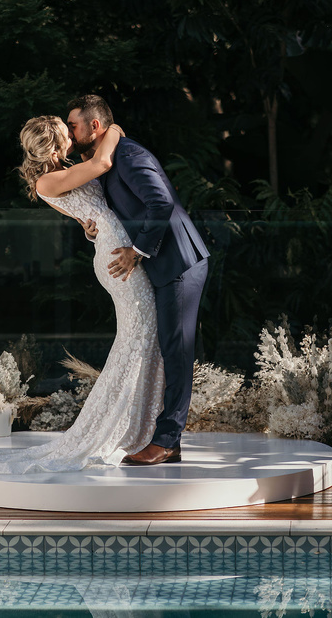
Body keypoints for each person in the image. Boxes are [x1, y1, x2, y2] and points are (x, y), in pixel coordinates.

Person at [0, 115, 165, 474]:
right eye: (65, 132)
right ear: (54, 146)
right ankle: (122, 426)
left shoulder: (61, 172)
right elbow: (103, 162)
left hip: (113, 250)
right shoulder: (48, 181)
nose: (72, 135)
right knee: (141, 335)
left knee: (141, 336)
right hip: (119, 260)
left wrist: (90, 229)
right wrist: (114, 128)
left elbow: (86, 218)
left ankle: (135, 422)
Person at [66, 95, 209, 466]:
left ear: (94, 126)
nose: (70, 131)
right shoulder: (108, 158)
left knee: (176, 351)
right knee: (168, 348)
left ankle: (166, 442)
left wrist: (136, 251)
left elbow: (160, 203)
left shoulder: (127, 155)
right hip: (163, 263)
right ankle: (161, 436)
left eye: (74, 125)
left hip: (178, 261)